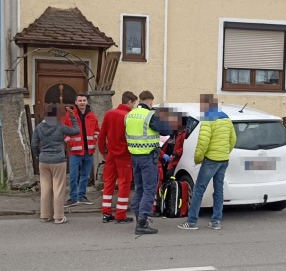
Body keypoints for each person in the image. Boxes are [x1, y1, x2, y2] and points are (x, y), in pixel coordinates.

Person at [178, 94, 236, 231]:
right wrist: (225, 152)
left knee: (199, 189)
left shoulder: (208, 119)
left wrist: (198, 159)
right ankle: (216, 221)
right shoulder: (226, 118)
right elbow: (233, 139)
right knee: (218, 190)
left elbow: (202, 143)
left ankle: (192, 221)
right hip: (223, 159)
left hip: (211, 160)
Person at [125, 90, 173, 235]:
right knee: (149, 190)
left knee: (139, 188)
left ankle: (138, 216)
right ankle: (142, 222)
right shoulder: (151, 115)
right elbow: (166, 131)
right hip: (148, 158)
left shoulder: (130, 114)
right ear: (150, 101)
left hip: (134, 157)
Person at [31, 104, 79, 224]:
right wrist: (72, 116)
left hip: (44, 160)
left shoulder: (39, 127)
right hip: (58, 160)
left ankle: (45, 215)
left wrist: (38, 155)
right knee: (58, 188)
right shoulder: (60, 127)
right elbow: (76, 131)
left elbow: (34, 144)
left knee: (45, 188)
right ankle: (58, 217)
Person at [97, 91, 138, 224]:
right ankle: (120, 214)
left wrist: (103, 151)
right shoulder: (129, 116)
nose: (134, 107)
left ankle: (106, 213)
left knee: (108, 183)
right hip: (124, 155)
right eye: (134, 103)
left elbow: (102, 135)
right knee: (124, 184)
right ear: (130, 102)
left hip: (111, 154)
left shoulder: (109, 114)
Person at [63, 93, 100, 206]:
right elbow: (64, 132)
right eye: (80, 100)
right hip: (75, 151)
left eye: (84, 100)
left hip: (88, 151)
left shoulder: (92, 116)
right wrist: (71, 143)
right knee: (73, 175)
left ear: (87, 102)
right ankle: (73, 198)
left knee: (85, 175)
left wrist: (93, 141)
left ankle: (82, 196)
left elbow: (97, 131)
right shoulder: (70, 116)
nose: (82, 102)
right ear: (76, 102)